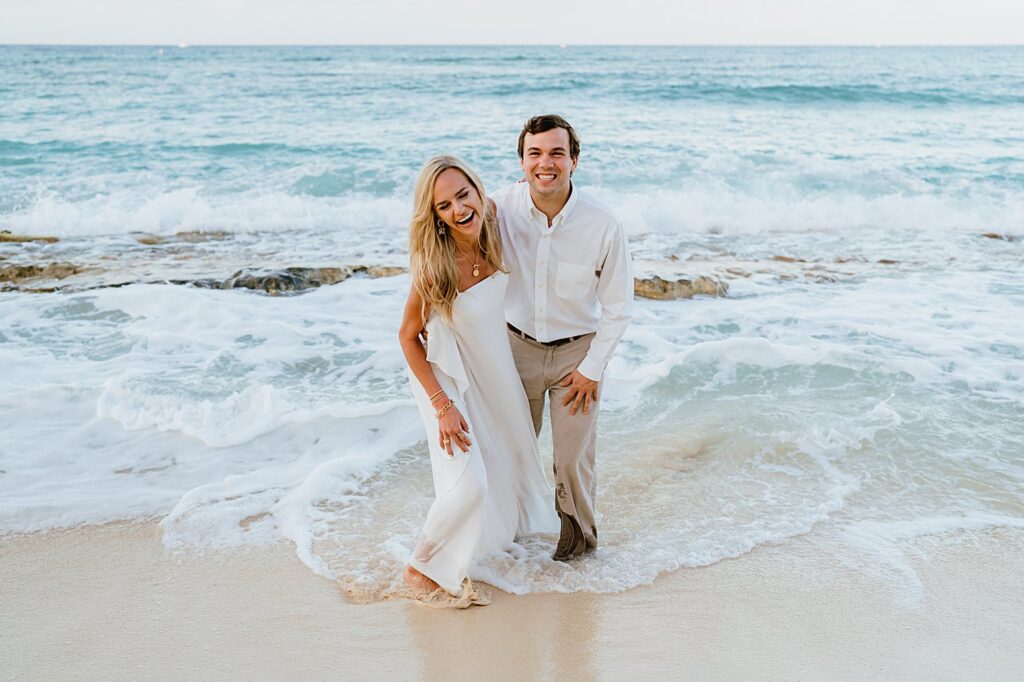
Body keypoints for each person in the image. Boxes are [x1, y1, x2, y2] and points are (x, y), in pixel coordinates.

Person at [398, 155, 558, 599]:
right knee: (470, 482)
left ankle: (480, 555)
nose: (458, 210)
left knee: (509, 462)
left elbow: (538, 193)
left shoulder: (493, 217)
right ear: (435, 215)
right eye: (444, 206)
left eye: (462, 195)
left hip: (493, 366)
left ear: (478, 190)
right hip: (446, 373)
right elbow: (408, 338)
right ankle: (420, 567)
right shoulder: (435, 264)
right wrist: (443, 406)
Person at [493, 115, 634, 561]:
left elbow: (619, 308)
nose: (545, 163)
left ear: (574, 161)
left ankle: (578, 553)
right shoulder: (497, 210)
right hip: (514, 349)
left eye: (556, 153)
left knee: (571, 461)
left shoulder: (603, 225)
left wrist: (592, 370)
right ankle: (504, 542)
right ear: (521, 162)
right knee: (511, 452)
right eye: (535, 153)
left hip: (578, 353)